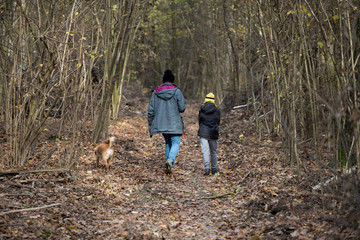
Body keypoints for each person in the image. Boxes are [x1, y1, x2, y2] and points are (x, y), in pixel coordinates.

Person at [148, 70, 186, 174]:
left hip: (161, 123)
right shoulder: (177, 91)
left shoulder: (156, 92)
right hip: (174, 123)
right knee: (176, 142)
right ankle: (170, 160)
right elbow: (182, 108)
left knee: (168, 142)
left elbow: (151, 110)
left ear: (163, 80)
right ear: (172, 80)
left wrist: (151, 124)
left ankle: (170, 166)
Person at [198, 92, 220, 175]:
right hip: (213, 133)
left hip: (203, 132)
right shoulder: (217, 110)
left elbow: (200, 121)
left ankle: (207, 168)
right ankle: (214, 168)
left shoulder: (202, 109)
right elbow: (218, 122)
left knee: (205, 151)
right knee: (213, 151)